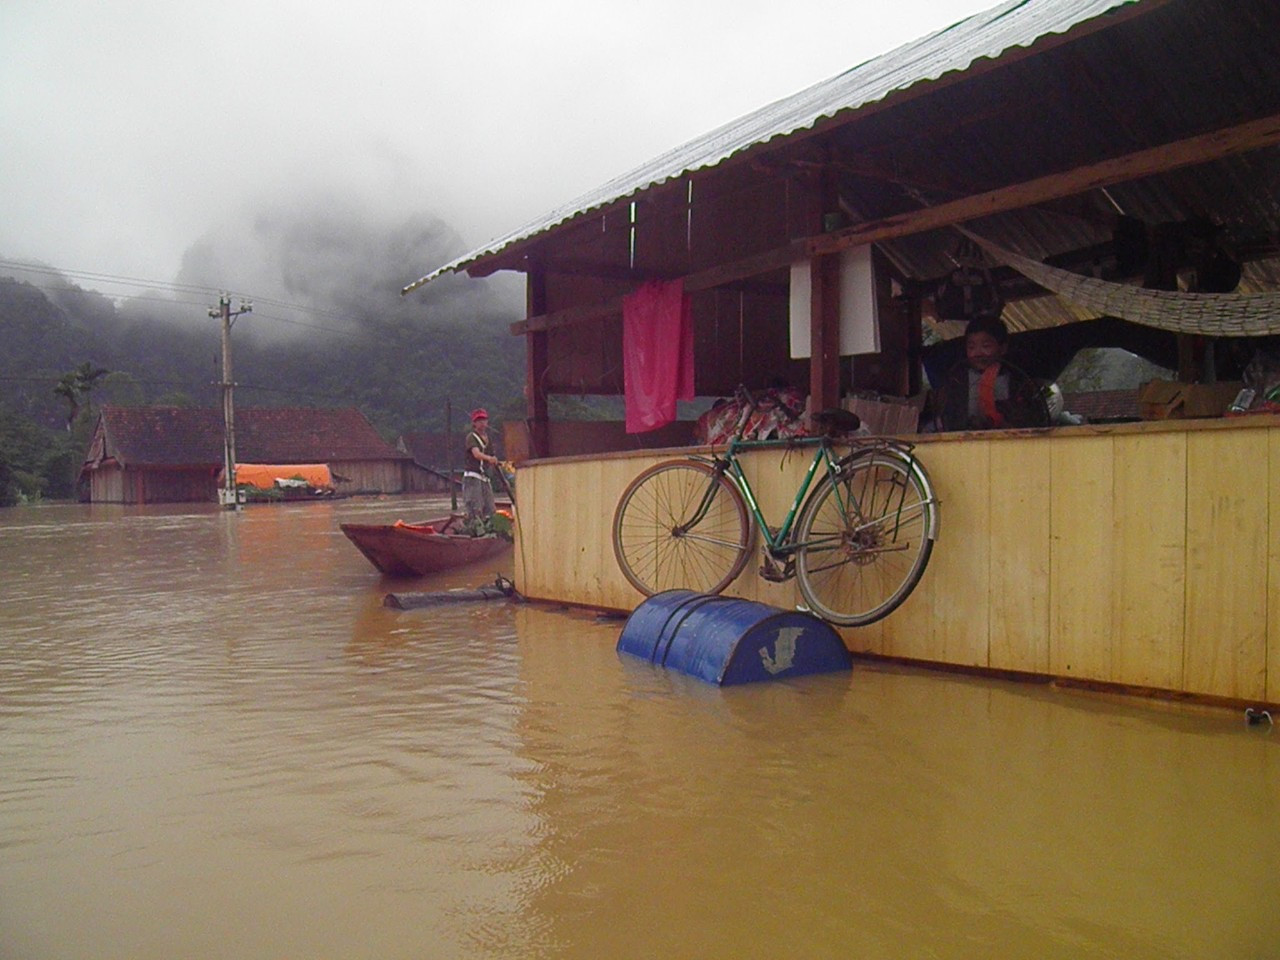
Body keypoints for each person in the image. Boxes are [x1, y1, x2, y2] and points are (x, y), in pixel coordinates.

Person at [936, 317, 1049, 431]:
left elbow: (1030, 420)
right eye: (971, 347)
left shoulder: (1018, 383)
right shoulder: (957, 382)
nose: (978, 353)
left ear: (1003, 348)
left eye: (986, 346)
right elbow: (947, 418)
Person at [462, 408, 499, 523]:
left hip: (485, 477)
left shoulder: (488, 439)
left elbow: (492, 457)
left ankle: (490, 530)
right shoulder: (471, 437)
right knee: (475, 507)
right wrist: (489, 459)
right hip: (473, 477)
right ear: (474, 423)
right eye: (479, 421)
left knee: (490, 508)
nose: (482, 423)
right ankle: (474, 530)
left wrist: (494, 462)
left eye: (484, 420)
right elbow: (476, 454)